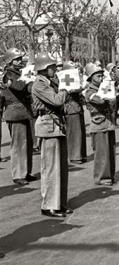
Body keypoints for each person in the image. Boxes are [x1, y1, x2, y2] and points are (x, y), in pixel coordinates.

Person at [31, 54, 72, 217]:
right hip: (47, 125)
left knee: (60, 167)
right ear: (44, 68)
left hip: (56, 125)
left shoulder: (50, 82)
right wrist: (65, 89)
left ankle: (60, 203)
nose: (55, 69)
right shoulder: (39, 84)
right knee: (50, 168)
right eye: (52, 67)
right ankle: (49, 205)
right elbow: (56, 100)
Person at [2, 48, 36, 185]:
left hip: (25, 111)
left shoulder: (20, 72)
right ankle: (18, 174)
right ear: (10, 61)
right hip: (15, 112)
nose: (20, 61)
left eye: (20, 58)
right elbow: (18, 86)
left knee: (28, 144)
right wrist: (29, 80)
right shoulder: (8, 75)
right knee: (18, 145)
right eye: (16, 59)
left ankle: (26, 172)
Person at [84, 63, 116, 186]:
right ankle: (101, 177)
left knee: (110, 152)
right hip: (98, 124)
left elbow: (112, 103)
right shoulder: (89, 91)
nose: (101, 78)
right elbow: (100, 101)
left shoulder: (103, 88)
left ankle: (110, 175)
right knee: (102, 153)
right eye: (98, 76)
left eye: (102, 76)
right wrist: (110, 96)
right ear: (91, 77)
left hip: (108, 123)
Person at [61, 61, 87, 164]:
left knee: (80, 132)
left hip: (77, 107)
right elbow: (70, 90)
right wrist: (82, 87)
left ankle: (81, 154)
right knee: (74, 133)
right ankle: (74, 156)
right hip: (71, 108)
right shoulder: (65, 78)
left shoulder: (75, 78)